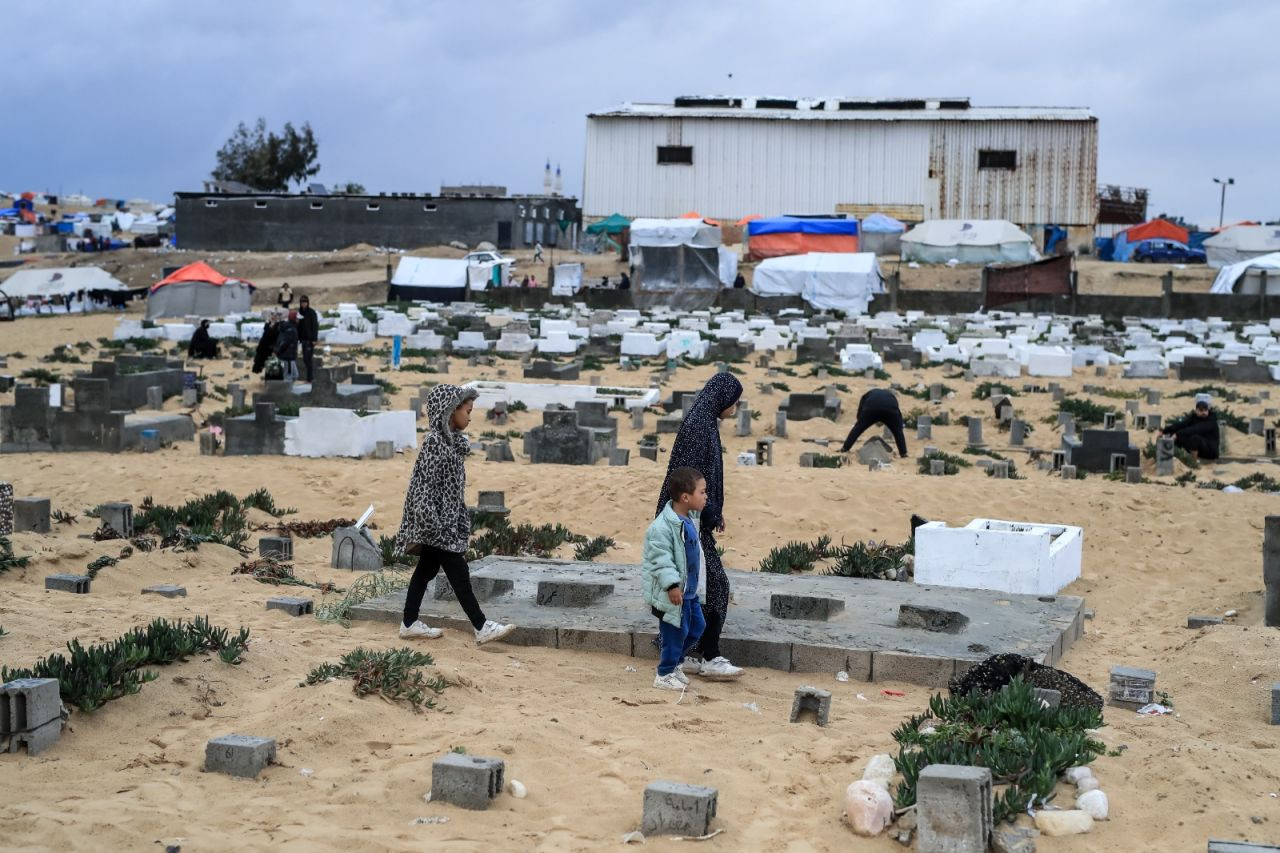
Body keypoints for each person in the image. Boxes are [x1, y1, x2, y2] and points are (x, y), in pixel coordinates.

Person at [394, 384, 517, 645]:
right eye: (467, 410)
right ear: (450, 412)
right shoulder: (435, 443)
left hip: (447, 523)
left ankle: (408, 622)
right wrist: (431, 525)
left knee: (425, 571)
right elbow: (423, 487)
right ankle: (482, 626)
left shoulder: (452, 445)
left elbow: (452, 491)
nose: (470, 416)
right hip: (437, 525)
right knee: (459, 574)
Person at [655, 373, 744, 681]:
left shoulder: (704, 421)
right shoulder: (699, 426)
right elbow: (688, 479)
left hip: (693, 518)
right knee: (714, 585)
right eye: (734, 402)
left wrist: (713, 512)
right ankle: (710, 655)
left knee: (700, 587)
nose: (734, 408)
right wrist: (701, 514)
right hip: (685, 521)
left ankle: (688, 651)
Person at [644, 466, 708, 691]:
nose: (706, 496)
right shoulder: (662, 527)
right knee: (675, 633)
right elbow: (660, 559)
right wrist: (671, 585)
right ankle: (664, 674)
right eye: (702, 492)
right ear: (685, 497)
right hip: (673, 594)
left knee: (697, 627)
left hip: (689, 591)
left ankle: (676, 664)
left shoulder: (689, 518)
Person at [839, 388, 909, 457]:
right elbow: (897, 411)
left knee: (857, 429)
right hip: (890, 410)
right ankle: (903, 453)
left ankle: (845, 448)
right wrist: (899, 426)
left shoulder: (869, 394)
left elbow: (861, 408)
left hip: (871, 408)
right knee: (898, 433)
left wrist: (860, 421)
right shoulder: (891, 396)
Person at [296, 294, 319, 382]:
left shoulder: (311, 312)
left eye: (305, 301)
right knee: (305, 359)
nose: (303, 303)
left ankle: (310, 378)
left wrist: (314, 339)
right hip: (302, 339)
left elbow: (315, 326)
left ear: (308, 302)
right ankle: (309, 377)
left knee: (307, 358)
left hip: (310, 340)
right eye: (302, 301)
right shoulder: (299, 312)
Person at [274, 310, 300, 381]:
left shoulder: (292, 327)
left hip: (291, 356)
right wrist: (279, 352)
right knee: (288, 376)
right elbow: (285, 343)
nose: (299, 320)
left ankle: (288, 389)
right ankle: (286, 391)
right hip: (288, 357)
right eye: (297, 318)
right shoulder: (290, 329)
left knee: (295, 375)